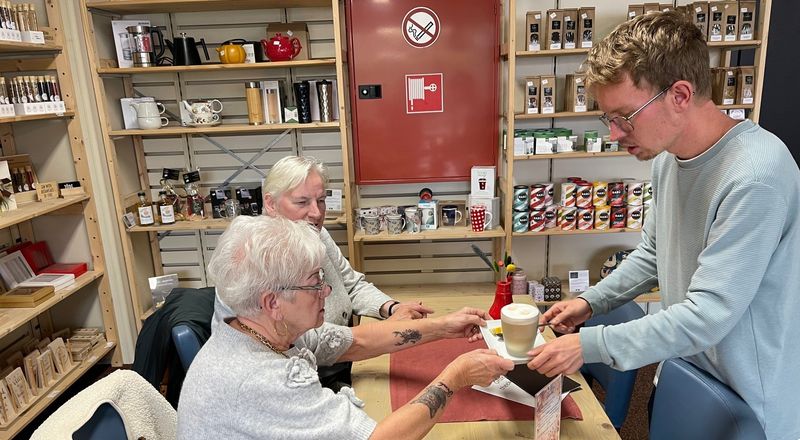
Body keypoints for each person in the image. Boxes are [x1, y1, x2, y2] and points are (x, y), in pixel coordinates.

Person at [526, 11, 800, 439]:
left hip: (746, 404)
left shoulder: (755, 175)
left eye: (624, 116)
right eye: (608, 119)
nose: (615, 133)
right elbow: (654, 253)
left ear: (680, 94)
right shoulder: (671, 160)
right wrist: (590, 303)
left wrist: (589, 345)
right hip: (688, 370)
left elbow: (708, 315)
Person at [178, 216, 513, 439]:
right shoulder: (264, 380)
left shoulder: (255, 324)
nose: (326, 291)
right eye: (314, 284)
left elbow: (349, 343)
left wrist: (442, 327)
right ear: (272, 302)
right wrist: (456, 377)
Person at [214, 155, 431, 390]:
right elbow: (310, 339)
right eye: (302, 202)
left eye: (321, 200)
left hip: (344, 359)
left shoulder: (316, 235)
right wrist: (382, 332)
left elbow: (352, 285)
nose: (316, 213)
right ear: (270, 203)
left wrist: (391, 308)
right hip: (307, 379)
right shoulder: (256, 258)